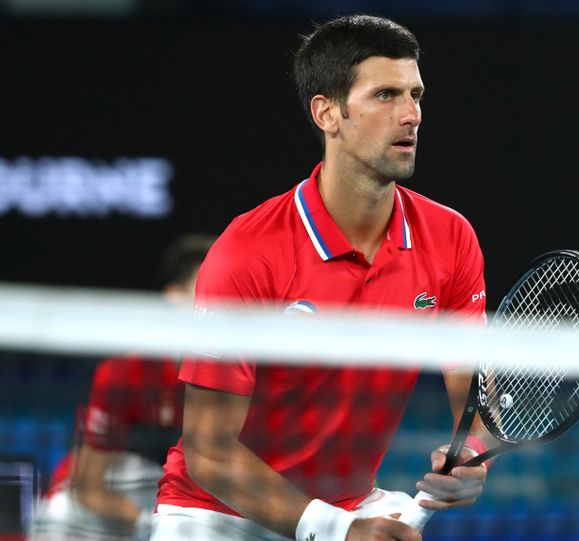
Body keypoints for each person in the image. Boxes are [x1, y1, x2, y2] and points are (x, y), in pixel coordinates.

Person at [152, 15, 491, 541]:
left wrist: (470, 456)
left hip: (351, 503)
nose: (411, 115)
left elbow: (471, 393)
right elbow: (208, 453)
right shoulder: (249, 251)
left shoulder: (451, 238)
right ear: (327, 113)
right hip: (217, 513)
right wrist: (337, 530)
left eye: (416, 94)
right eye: (385, 95)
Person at [28, 235, 215, 541]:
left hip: (187, 502)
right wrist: (145, 521)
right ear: (176, 297)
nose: (222, 298)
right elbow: (89, 485)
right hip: (115, 501)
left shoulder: (249, 374)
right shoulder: (125, 373)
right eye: (208, 286)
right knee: (60, 515)